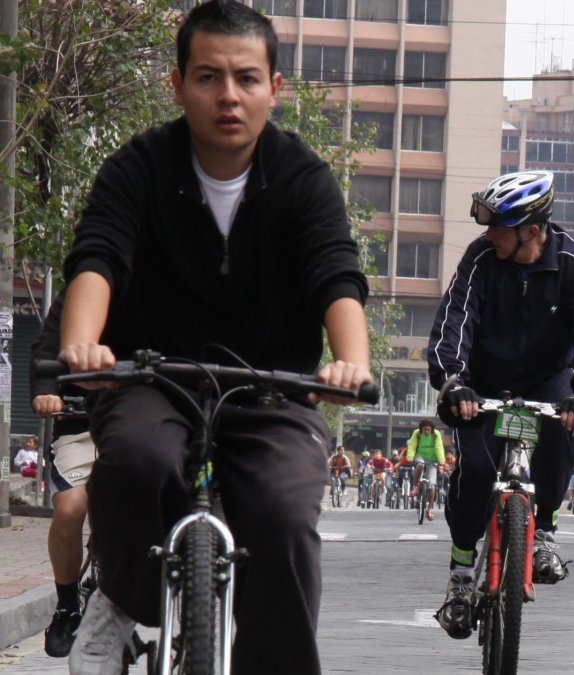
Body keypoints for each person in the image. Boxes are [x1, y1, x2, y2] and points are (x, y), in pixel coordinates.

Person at [55, 3, 373, 673]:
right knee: (137, 461)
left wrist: (352, 361)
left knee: (285, 515)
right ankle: (118, 597)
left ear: (274, 89)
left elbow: (335, 275)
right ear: (178, 85)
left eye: (247, 78)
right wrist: (84, 345)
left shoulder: (303, 180)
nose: (229, 95)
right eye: (208, 76)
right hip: (150, 378)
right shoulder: (138, 165)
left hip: (272, 392)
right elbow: (98, 257)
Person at [427, 169, 574, 640]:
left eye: (498, 227)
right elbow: (455, 320)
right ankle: (461, 573)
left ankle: (545, 532)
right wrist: (453, 382)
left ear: (532, 231)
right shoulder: (480, 259)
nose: (488, 235)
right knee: (472, 467)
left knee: (560, 431)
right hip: (483, 383)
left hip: (549, 381)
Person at [30, 294, 94, 657]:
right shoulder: (79, 291)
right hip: (80, 422)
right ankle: (68, 605)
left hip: (144, 421)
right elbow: (48, 345)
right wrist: (45, 391)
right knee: (69, 509)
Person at [405, 419, 446, 519]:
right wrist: (410, 456)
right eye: (424, 429)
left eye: (428, 429)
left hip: (433, 459)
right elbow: (412, 445)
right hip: (420, 456)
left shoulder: (436, 434)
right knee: (420, 465)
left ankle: (430, 510)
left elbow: (438, 447)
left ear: (431, 429)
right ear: (421, 429)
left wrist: (441, 459)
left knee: (432, 485)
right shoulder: (417, 433)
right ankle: (415, 487)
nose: (426, 431)